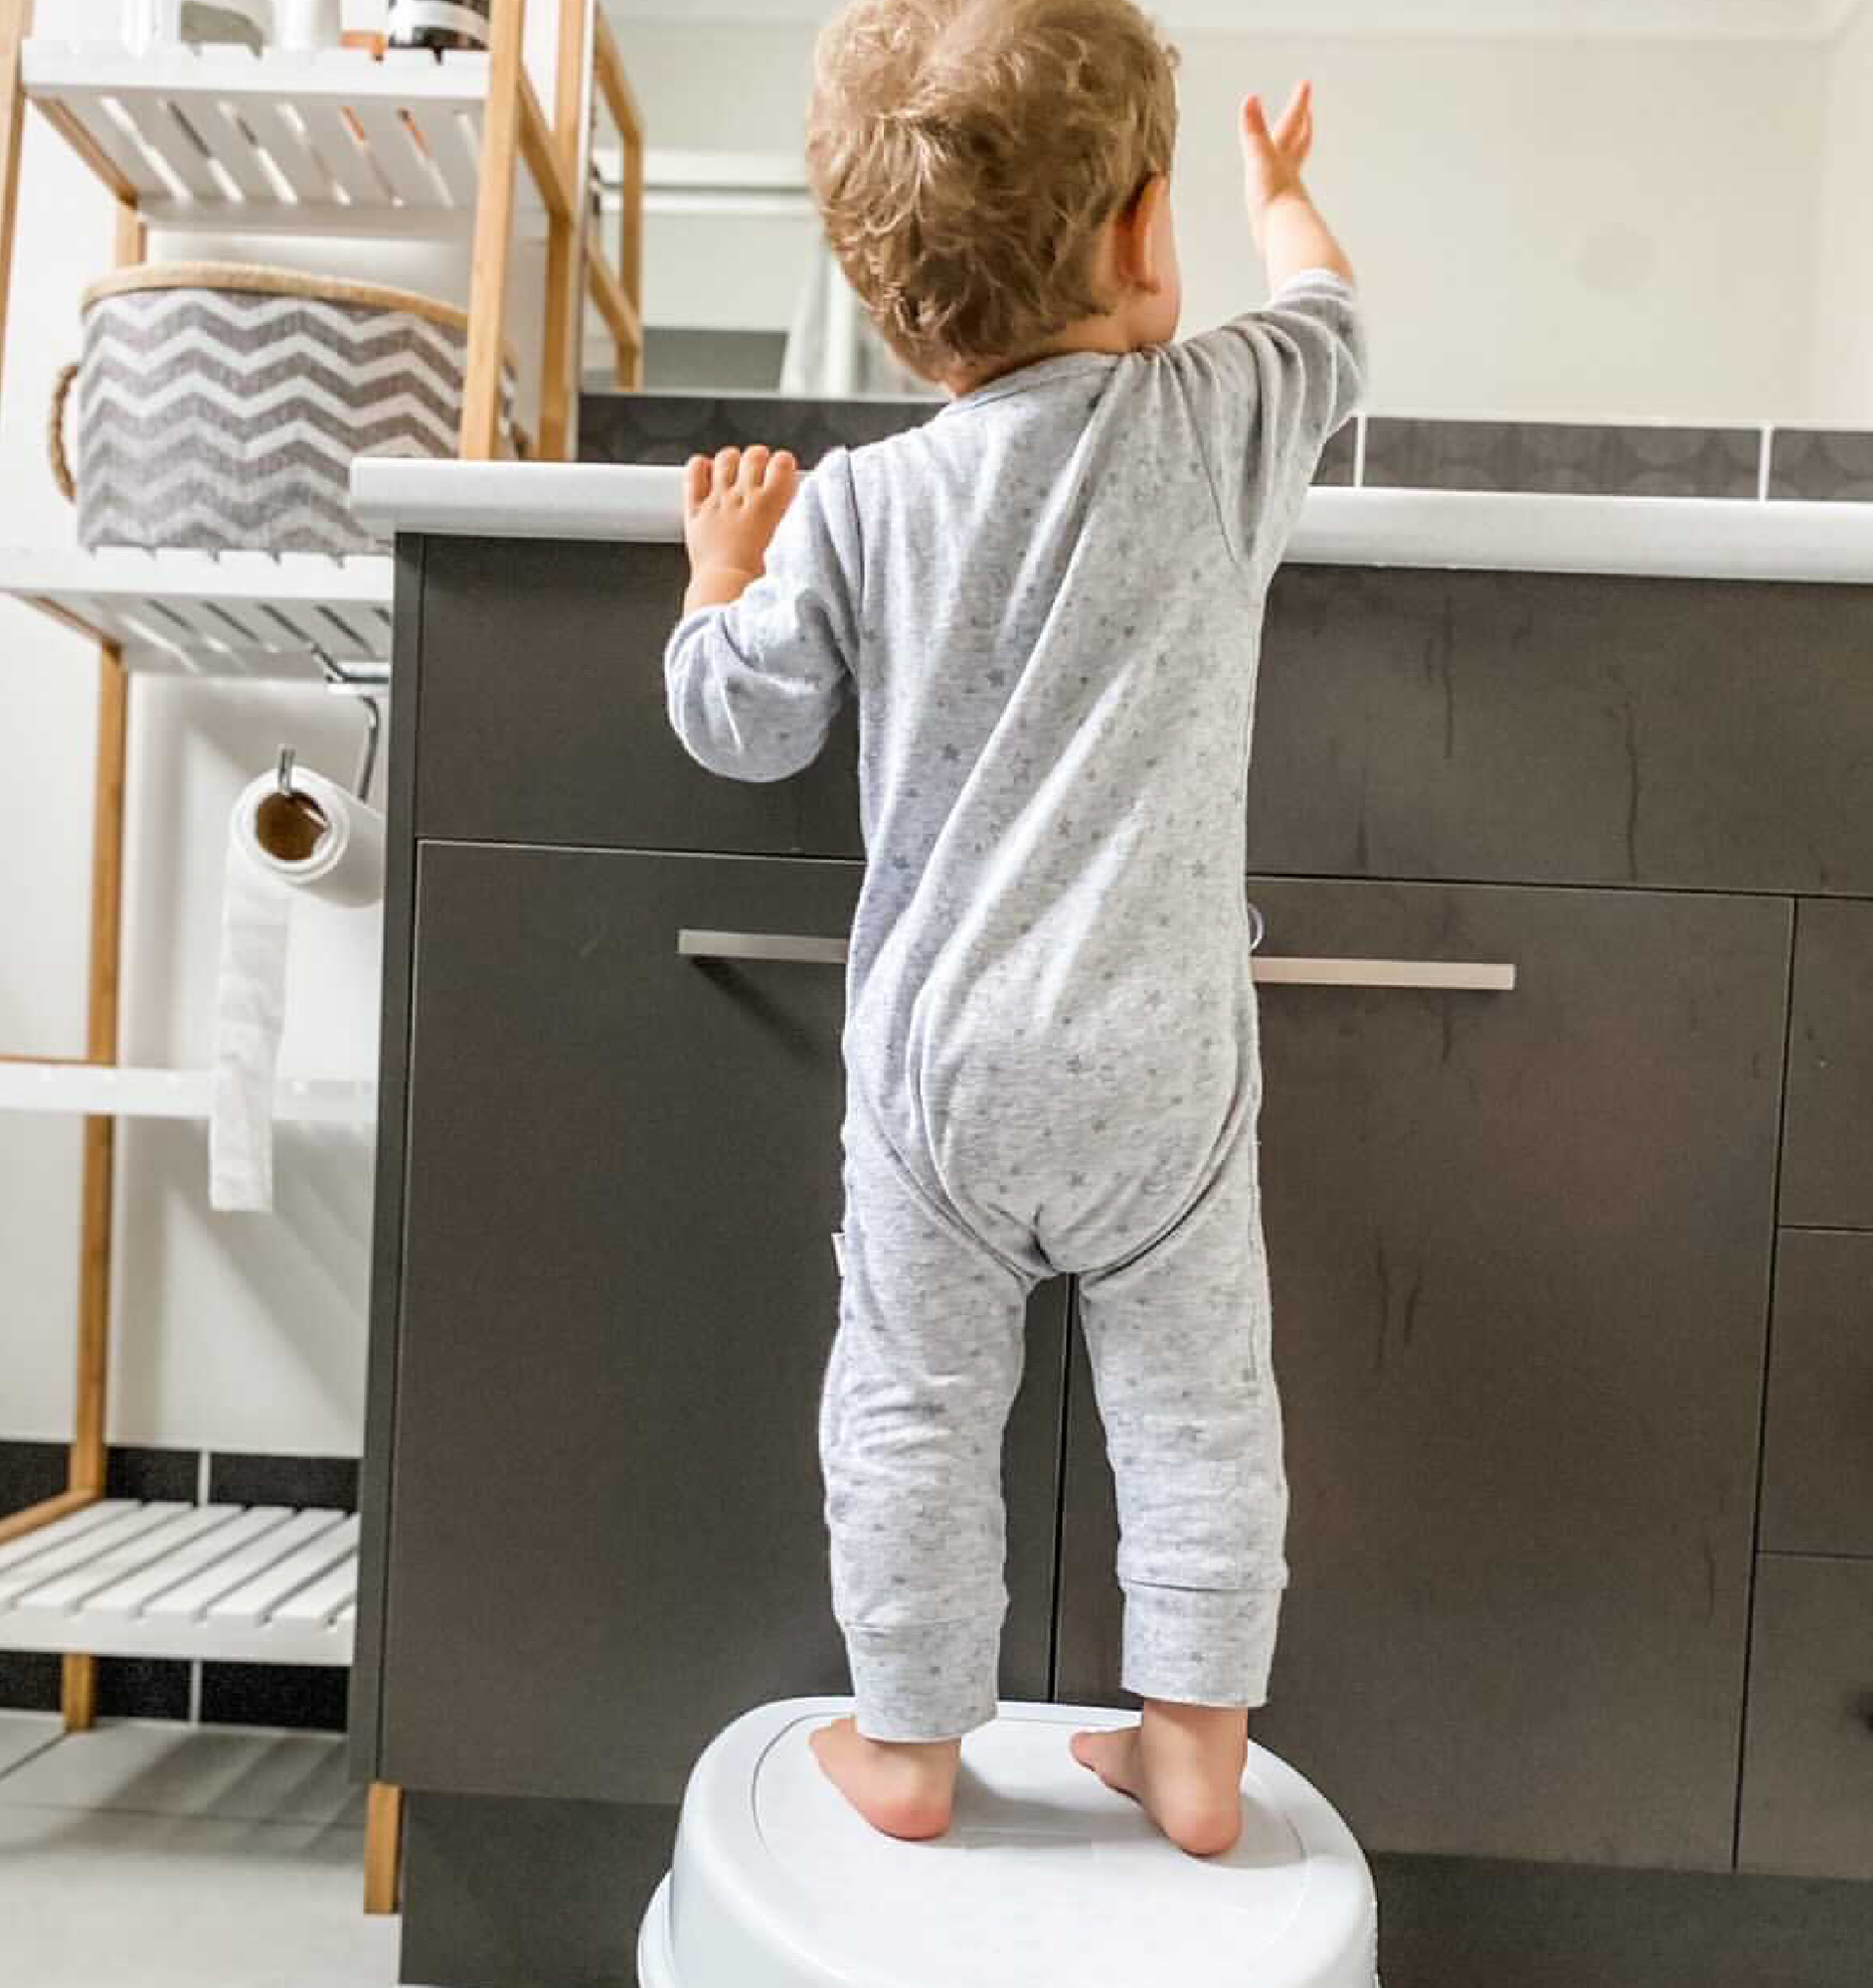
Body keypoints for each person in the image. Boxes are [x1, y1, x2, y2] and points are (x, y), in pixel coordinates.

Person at [662, 0, 1364, 1857]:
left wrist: (722, 575)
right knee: (1200, 1409)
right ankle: (1194, 1745)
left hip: (941, 1070)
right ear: (1141, 236)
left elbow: (743, 727)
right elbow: (1333, 318)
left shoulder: (862, 504)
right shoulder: (1220, 417)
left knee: (911, 1403)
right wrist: (1281, 196)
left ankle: (906, 1745)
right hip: (1163, 1069)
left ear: (891, 299)